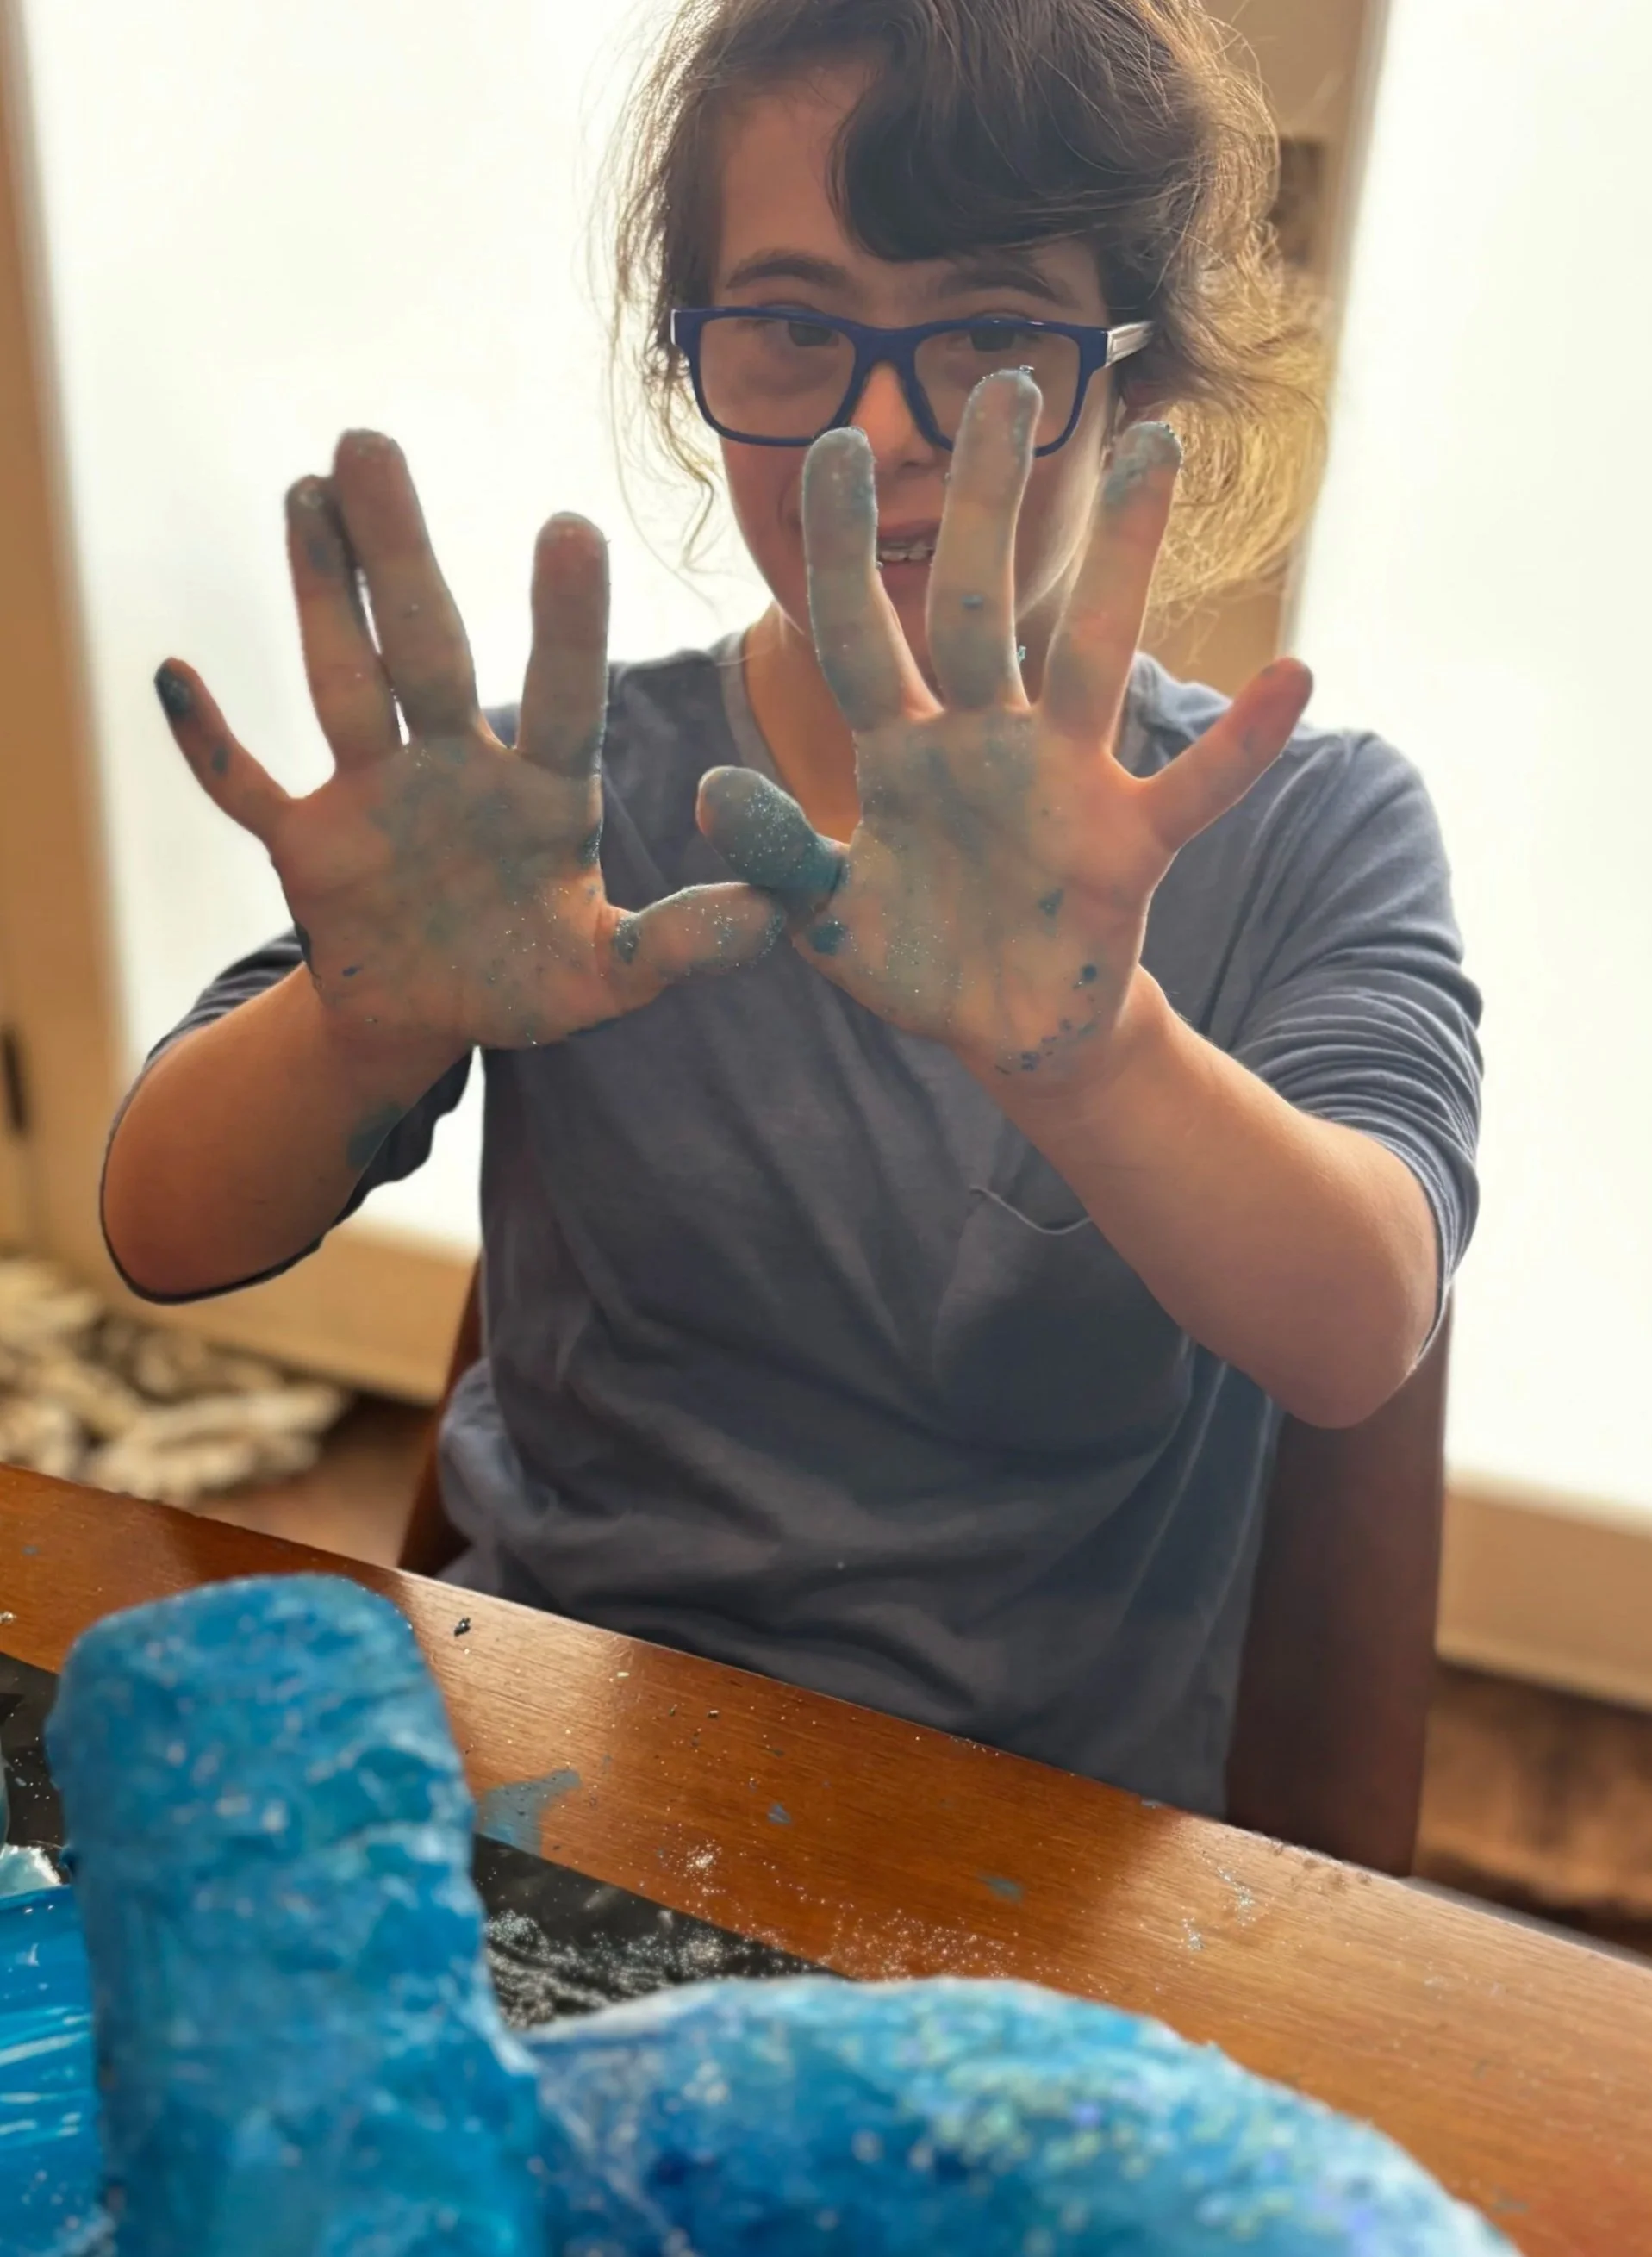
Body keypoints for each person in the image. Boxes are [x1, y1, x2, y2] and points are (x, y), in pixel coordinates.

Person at [100, 0, 1481, 1818]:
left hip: (1023, 1864)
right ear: (694, 360)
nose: (879, 433)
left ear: (1134, 374)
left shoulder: (1301, 824)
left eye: (988, 332)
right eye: (792, 327)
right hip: (542, 1773)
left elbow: (1357, 1319)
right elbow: (159, 1223)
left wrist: (1096, 1054)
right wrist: (360, 1023)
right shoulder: (549, 797)